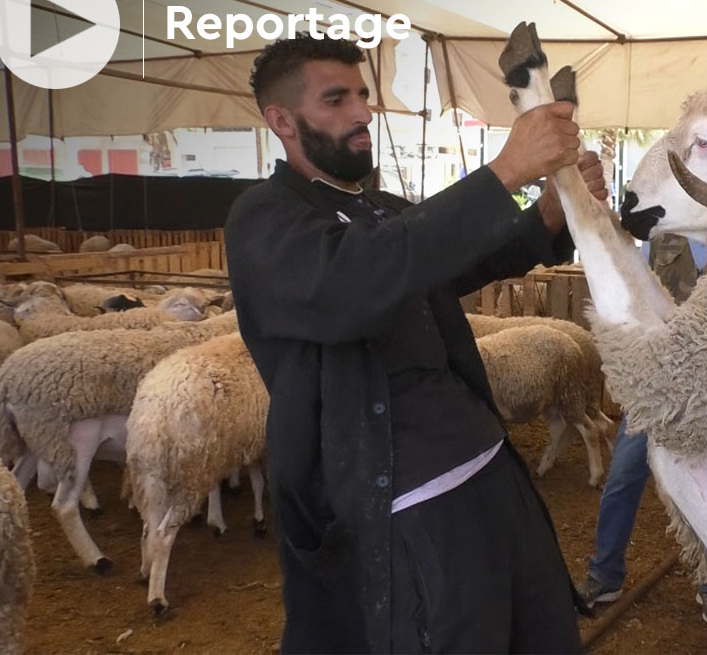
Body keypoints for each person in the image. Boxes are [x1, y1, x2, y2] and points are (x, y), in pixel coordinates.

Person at [225, 34, 608, 653]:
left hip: (491, 472)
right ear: (282, 121)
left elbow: (451, 261)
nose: (361, 113)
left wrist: (546, 215)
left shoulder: (381, 209)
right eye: (335, 100)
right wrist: (505, 170)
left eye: (362, 96)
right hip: (410, 510)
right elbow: (355, 283)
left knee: (539, 635)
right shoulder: (264, 219)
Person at [579, 233, 707, 626]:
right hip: (658, 385)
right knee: (623, 476)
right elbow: (642, 300)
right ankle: (605, 573)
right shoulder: (662, 238)